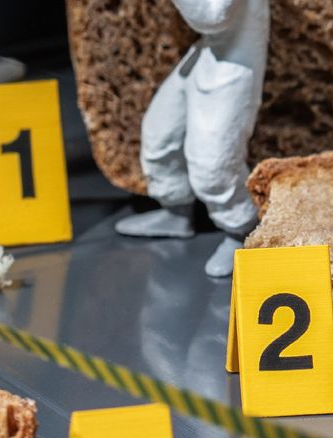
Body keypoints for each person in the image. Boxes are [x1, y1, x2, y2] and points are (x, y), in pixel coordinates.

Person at [115, 0, 268, 277]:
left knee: (213, 160)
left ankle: (242, 230)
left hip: (235, 65)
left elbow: (214, 16)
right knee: (161, 132)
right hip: (210, 51)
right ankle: (176, 211)